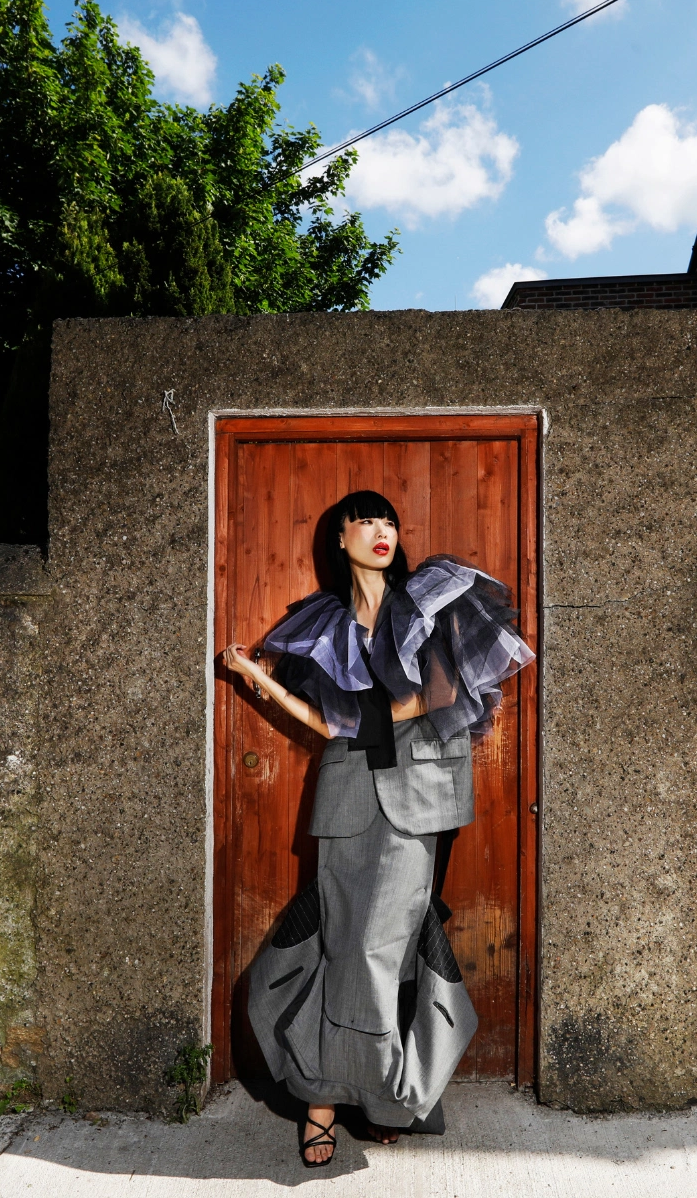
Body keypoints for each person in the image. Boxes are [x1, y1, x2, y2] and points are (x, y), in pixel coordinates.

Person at [221, 490, 533, 1167]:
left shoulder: (428, 602)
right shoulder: (323, 623)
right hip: (346, 797)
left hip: (419, 798)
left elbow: (428, 699)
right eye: (365, 520)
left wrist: (348, 718)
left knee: (383, 948)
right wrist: (254, 676)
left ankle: (382, 1093)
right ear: (341, 538)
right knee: (337, 941)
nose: (380, 530)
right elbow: (321, 722)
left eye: (388, 520)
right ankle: (326, 1098)